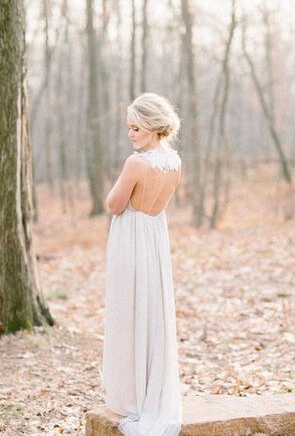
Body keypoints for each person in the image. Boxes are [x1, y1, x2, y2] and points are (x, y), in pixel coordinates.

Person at [101, 92, 183, 435]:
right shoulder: (175, 163)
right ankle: (148, 386)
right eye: (129, 128)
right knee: (151, 309)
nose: (131, 134)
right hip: (155, 237)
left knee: (129, 309)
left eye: (136, 128)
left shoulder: (136, 163)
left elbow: (113, 204)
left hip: (131, 238)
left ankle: (132, 394)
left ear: (152, 127)